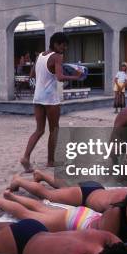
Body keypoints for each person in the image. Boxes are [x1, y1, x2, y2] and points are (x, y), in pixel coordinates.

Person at [0, 187, 127, 254]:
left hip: (86, 218)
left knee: (42, 209)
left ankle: (10, 196)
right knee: (28, 216)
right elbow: (112, 252)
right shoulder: (117, 213)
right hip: (75, 222)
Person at [9, 172, 127, 228]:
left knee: (63, 188)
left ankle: (41, 174)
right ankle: (18, 180)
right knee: (47, 195)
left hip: (95, 190)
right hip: (87, 196)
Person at [21, 32, 82, 172]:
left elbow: (32, 75)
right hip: (50, 98)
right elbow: (60, 78)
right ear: (56, 44)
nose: (64, 48)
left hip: (38, 97)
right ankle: (50, 161)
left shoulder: (40, 55)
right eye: (63, 45)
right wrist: (76, 76)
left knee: (39, 130)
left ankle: (25, 157)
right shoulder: (57, 57)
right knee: (54, 130)